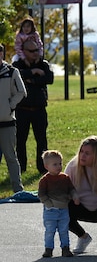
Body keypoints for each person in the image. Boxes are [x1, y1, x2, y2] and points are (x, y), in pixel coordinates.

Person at [13, 39, 54, 174]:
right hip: (22, 110)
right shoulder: (17, 64)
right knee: (20, 140)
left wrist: (31, 80)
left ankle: (43, 168)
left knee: (41, 140)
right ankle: (21, 168)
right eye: (31, 51)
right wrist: (34, 72)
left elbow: (49, 79)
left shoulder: (44, 64)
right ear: (24, 51)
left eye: (37, 50)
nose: (35, 53)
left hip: (39, 109)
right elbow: (16, 76)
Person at [38, 150, 79, 258]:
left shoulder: (65, 178)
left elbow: (71, 189)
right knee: (50, 231)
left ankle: (65, 248)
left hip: (63, 209)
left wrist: (74, 196)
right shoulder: (45, 180)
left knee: (64, 230)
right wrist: (48, 204)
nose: (58, 166)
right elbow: (41, 194)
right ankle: (49, 249)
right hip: (50, 210)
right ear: (47, 166)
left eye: (60, 163)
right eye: (55, 164)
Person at [0, 43, 26, 192]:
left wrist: (10, 105)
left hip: (7, 122)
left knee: (10, 157)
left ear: (2, 54)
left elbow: (21, 92)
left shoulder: (11, 72)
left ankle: (18, 189)